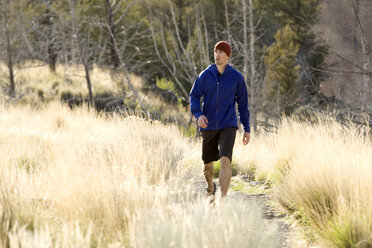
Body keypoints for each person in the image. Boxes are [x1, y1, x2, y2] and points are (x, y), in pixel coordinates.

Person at [189, 41, 250, 201]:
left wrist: (247, 127)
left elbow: (243, 104)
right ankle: (210, 188)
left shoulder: (236, 77)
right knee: (208, 165)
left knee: (225, 160)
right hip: (208, 124)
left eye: (221, 52)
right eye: (216, 51)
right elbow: (194, 96)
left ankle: (223, 201)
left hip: (228, 124)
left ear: (228, 56)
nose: (217, 55)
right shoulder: (205, 75)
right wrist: (199, 114)